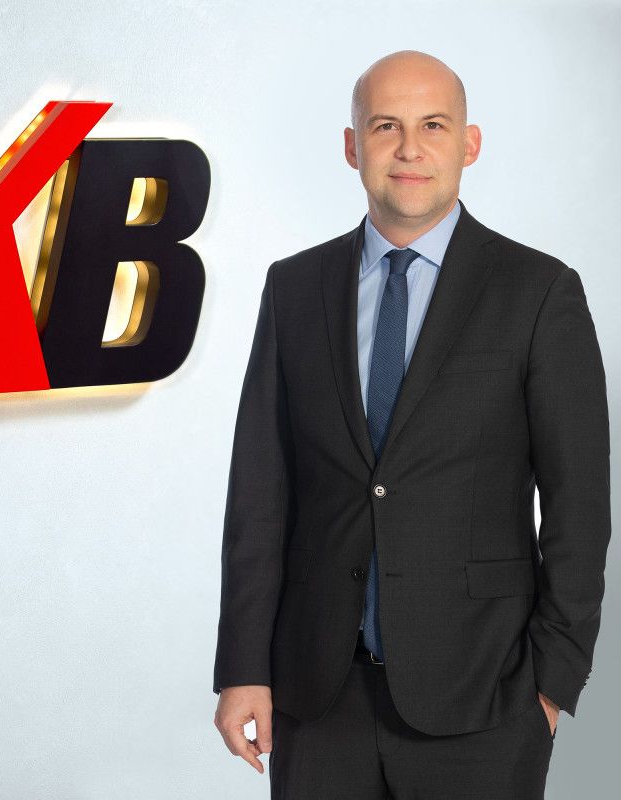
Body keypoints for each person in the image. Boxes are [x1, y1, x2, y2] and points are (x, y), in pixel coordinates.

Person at [212, 50, 610, 798]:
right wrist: (243, 668)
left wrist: (552, 684)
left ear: (470, 143)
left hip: (485, 699)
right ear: (352, 145)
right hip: (316, 698)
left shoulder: (538, 291)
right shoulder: (294, 288)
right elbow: (259, 496)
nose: (409, 149)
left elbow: (579, 509)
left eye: (433, 125)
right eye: (385, 126)